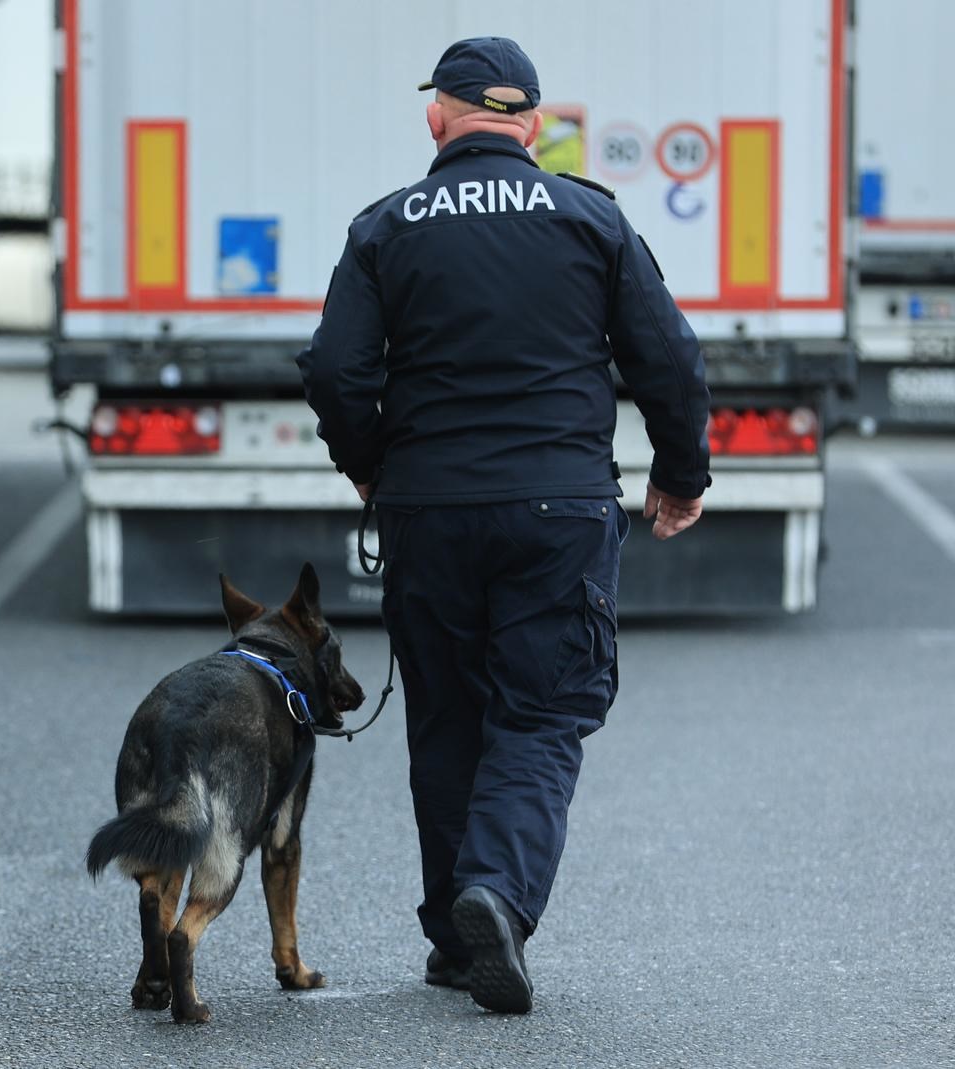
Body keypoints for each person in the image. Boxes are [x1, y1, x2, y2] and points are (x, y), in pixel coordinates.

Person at [296, 36, 710, 1014]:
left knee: (447, 717)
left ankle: (457, 937)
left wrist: (371, 467)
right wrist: (680, 475)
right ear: (531, 124)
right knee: (541, 711)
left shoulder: (386, 226)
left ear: (437, 117)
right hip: (559, 509)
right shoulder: (589, 217)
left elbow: (336, 371)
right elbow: (668, 358)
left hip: (428, 511)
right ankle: (496, 893)